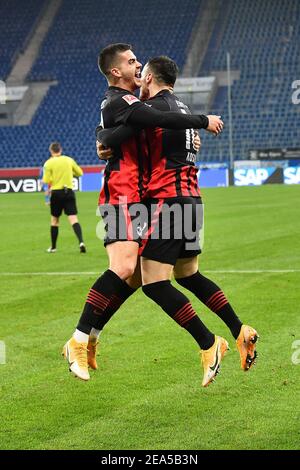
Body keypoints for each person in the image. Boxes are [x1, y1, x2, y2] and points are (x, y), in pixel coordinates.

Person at [62, 43, 223, 382]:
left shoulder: (129, 103)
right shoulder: (120, 100)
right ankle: (76, 340)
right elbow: (157, 118)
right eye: (131, 61)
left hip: (140, 198)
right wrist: (202, 120)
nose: (138, 65)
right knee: (121, 267)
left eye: (139, 61)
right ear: (116, 71)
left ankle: (91, 337)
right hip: (120, 194)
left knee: (135, 276)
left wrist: (102, 135)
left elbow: (124, 130)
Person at [96, 56, 259, 385]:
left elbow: (121, 137)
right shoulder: (180, 110)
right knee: (188, 275)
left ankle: (209, 344)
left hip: (168, 203)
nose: (138, 78)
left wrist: (103, 141)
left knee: (152, 283)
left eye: (142, 74)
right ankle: (241, 330)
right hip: (192, 201)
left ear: (151, 77)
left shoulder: (155, 113)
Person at [43, 142, 86, 253]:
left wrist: (47, 197)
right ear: (60, 150)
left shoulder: (48, 163)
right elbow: (80, 173)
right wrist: (69, 172)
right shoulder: (69, 160)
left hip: (56, 193)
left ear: (51, 151)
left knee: (55, 220)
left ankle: (53, 247)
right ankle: (81, 242)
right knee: (73, 218)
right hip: (69, 192)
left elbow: (46, 181)